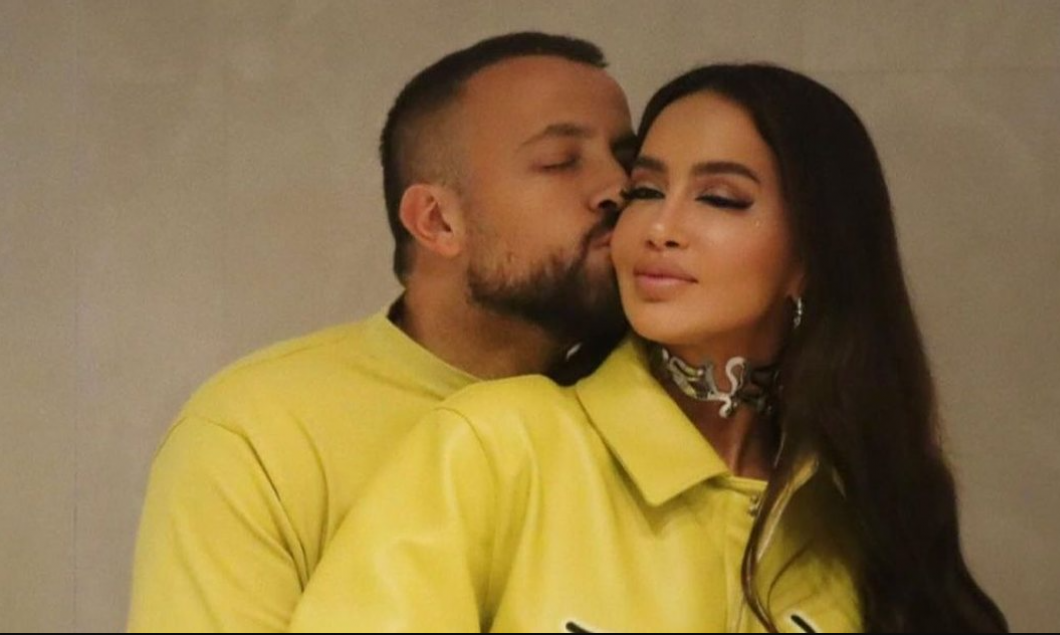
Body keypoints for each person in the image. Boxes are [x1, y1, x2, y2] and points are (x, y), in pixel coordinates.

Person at [288, 64, 1009, 632]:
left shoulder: (859, 510)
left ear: (812, 255)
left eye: (720, 198)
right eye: (644, 191)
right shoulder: (496, 449)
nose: (660, 228)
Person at [127, 32, 635, 632]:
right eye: (560, 162)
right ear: (437, 221)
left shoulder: (659, 412)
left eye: (629, 160)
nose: (619, 189)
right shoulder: (258, 433)